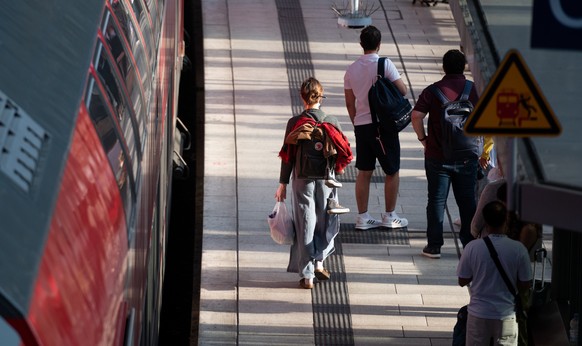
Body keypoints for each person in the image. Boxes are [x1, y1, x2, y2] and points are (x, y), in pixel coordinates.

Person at [275, 77, 353, 289]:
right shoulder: (331, 121)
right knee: (326, 221)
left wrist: (283, 183)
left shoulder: (295, 123)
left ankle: (307, 275)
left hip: (302, 179)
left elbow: (287, 156)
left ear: (303, 97)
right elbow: (343, 153)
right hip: (327, 180)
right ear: (321, 96)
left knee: (305, 223)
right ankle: (319, 260)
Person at [411, 49, 479, 258]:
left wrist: (423, 139)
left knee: (437, 200)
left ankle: (434, 246)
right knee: (467, 200)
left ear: (444, 67)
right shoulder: (474, 89)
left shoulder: (433, 91)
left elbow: (416, 116)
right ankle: (469, 245)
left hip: (437, 156)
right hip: (467, 155)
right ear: (463, 67)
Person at [343, 25, 409, 231]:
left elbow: (349, 103)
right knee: (392, 170)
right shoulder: (384, 64)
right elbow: (403, 90)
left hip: (362, 126)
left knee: (364, 171)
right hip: (383, 126)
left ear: (361, 45)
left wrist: (357, 121)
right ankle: (389, 215)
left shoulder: (351, 70)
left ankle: (363, 217)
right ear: (379, 44)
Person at [457, 201, 533, 345]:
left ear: (485, 222)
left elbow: (462, 280)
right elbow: (525, 283)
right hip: (506, 314)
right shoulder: (518, 249)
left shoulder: (472, 247)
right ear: (506, 220)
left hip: (478, 314)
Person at [471, 137, 541, 252]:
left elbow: (475, 227)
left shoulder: (493, 189)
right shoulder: (535, 190)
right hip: (525, 253)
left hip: (491, 249)